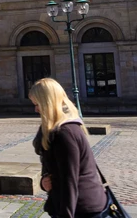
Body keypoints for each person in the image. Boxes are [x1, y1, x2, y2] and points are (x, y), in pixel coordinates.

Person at [30, 78, 106, 218]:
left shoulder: (65, 132)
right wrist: (44, 181)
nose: (36, 109)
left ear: (48, 103)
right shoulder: (57, 129)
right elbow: (53, 169)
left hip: (81, 207)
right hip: (73, 204)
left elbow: (69, 180)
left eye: (37, 104)